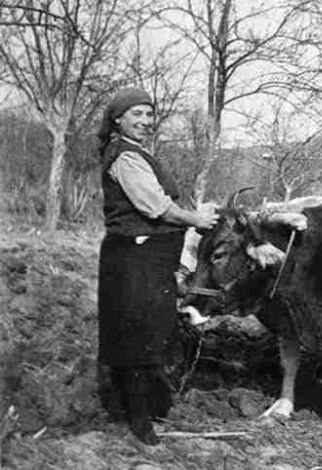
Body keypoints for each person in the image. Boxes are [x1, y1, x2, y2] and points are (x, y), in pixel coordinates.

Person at [96, 87, 220, 445]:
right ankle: (138, 421)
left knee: (144, 333)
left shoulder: (138, 153)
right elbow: (155, 207)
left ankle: (133, 409)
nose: (145, 122)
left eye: (150, 115)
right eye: (137, 114)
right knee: (137, 335)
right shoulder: (125, 157)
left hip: (146, 259)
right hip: (134, 260)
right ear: (118, 118)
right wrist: (195, 218)